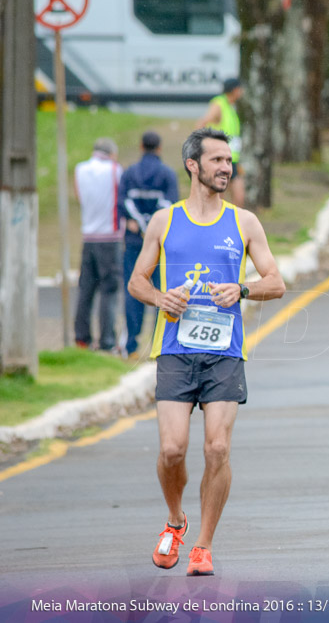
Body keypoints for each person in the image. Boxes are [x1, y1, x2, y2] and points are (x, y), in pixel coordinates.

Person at [128, 128, 285, 577]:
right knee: (173, 451)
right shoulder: (165, 221)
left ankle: (203, 545)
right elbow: (137, 280)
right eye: (216, 160)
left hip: (224, 354)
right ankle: (176, 521)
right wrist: (162, 299)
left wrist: (242, 288)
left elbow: (276, 282)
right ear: (192, 165)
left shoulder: (244, 222)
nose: (225, 167)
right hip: (176, 350)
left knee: (217, 448)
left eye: (228, 160)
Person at [119, 131, 179, 358]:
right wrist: (151, 226)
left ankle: (131, 346)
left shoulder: (130, 173)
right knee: (160, 293)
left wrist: (140, 224)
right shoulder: (167, 174)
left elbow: (123, 201)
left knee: (134, 289)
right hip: (160, 243)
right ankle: (158, 344)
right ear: (160, 148)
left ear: (141, 147)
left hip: (135, 241)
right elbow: (170, 204)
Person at [73, 138, 124, 352]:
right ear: (112, 153)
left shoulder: (80, 169)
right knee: (109, 290)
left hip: (88, 235)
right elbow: (121, 197)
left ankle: (81, 338)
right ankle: (107, 340)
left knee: (86, 289)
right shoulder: (115, 170)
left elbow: (79, 197)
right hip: (110, 237)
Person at [196, 77, 246, 206]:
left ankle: (233, 224)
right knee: (218, 197)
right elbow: (202, 123)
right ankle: (215, 223)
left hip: (233, 159)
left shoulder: (230, 107)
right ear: (235, 90)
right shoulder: (219, 104)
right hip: (219, 159)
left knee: (239, 197)